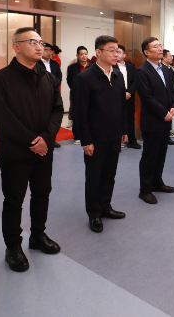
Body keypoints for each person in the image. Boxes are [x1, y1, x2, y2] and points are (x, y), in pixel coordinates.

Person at [0, 27, 63, 273]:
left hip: (44, 150)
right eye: (33, 42)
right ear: (16, 47)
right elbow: (1, 117)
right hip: (16, 151)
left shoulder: (47, 77)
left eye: (41, 42)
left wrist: (46, 138)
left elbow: (57, 110)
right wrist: (31, 141)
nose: (40, 46)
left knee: (42, 194)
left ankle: (38, 235)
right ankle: (13, 247)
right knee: (14, 200)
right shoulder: (1, 79)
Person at [72, 36, 128, 233]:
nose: (116, 54)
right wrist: (86, 140)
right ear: (99, 52)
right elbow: (80, 112)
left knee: (109, 174)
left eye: (117, 50)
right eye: (111, 50)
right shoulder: (85, 78)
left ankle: (105, 206)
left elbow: (122, 106)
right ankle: (94, 213)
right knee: (94, 176)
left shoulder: (118, 75)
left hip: (115, 134)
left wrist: (123, 129)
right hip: (95, 138)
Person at [135, 37, 174, 204]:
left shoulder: (165, 69)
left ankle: (157, 182)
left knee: (161, 154)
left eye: (160, 45)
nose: (160, 49)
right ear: (146, 52)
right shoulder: (142, 71)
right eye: (155, 46)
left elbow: (172, 91)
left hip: (166, 119)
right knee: (150, 156)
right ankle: (145, 190)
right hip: (152, 120)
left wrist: (173, 107)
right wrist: (164, 112)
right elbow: (147, 97)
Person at [37, 42, 63, 148]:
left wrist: (54, 86)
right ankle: (41, 138)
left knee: (53, 116)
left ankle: (52, 139)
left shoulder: (54, 64)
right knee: (42, 117)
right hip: (41, 93)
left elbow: (59, 76)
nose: (48, 52)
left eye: (50, 50)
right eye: (46, 50)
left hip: (54, 92)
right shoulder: (37, 63)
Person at [115, 44, 140, 149]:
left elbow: (135, 81)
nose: (116, 54)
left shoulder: (130, 66)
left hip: (129, 96)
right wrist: (122, 94)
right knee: (117, 119)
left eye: (119, 52)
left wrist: (129, 93)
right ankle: (118, 141)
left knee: (130, 119)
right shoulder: (112, 66)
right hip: (117, 96)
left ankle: (132, 140)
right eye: (115, 52)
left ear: (124, 55)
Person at [66, 46, 90, 132]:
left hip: (90, 94)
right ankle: (77, 134)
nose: (84, 56)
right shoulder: (72, 67)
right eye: (81, 54)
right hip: (77, 93)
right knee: (77, 113)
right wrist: (75, 90)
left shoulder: (93, 66)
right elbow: (69, 81)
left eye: (85, 54)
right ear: (77, 55)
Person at [161, 49, 174, 146]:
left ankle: (167, 136)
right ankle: (165, 137)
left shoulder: (170, 69)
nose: (172, 58)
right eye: (170, 56)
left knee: (171, 116)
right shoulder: (161, 69)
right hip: (165, 97)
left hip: (172, 95)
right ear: (164, 58)